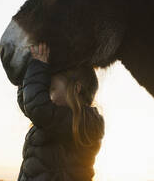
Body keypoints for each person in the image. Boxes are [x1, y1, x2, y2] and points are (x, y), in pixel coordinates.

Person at [16, 42, 105, 181]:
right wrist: (28, 72)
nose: (48, 96)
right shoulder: (54, 119)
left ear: (76, 89)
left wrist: (37, 67)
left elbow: (37, 106)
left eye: (52, 89)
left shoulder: (82, 123)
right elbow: (30, 104)